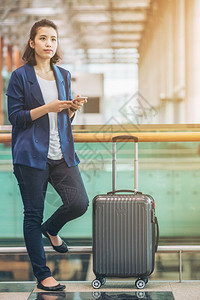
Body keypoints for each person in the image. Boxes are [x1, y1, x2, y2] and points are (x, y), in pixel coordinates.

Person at [6, 19, 89, 291]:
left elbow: (64, 118)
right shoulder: (20, 76)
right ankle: (43, 276)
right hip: (31, 155)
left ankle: (51, 229)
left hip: (61, 152)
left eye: (53, 39)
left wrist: (71, 108)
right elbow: (16, 118)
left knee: (78, 203)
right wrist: (47, 107)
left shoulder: (63, 74)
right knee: (32, 214)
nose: (49, 44)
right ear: (32, 43)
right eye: (43, 38)